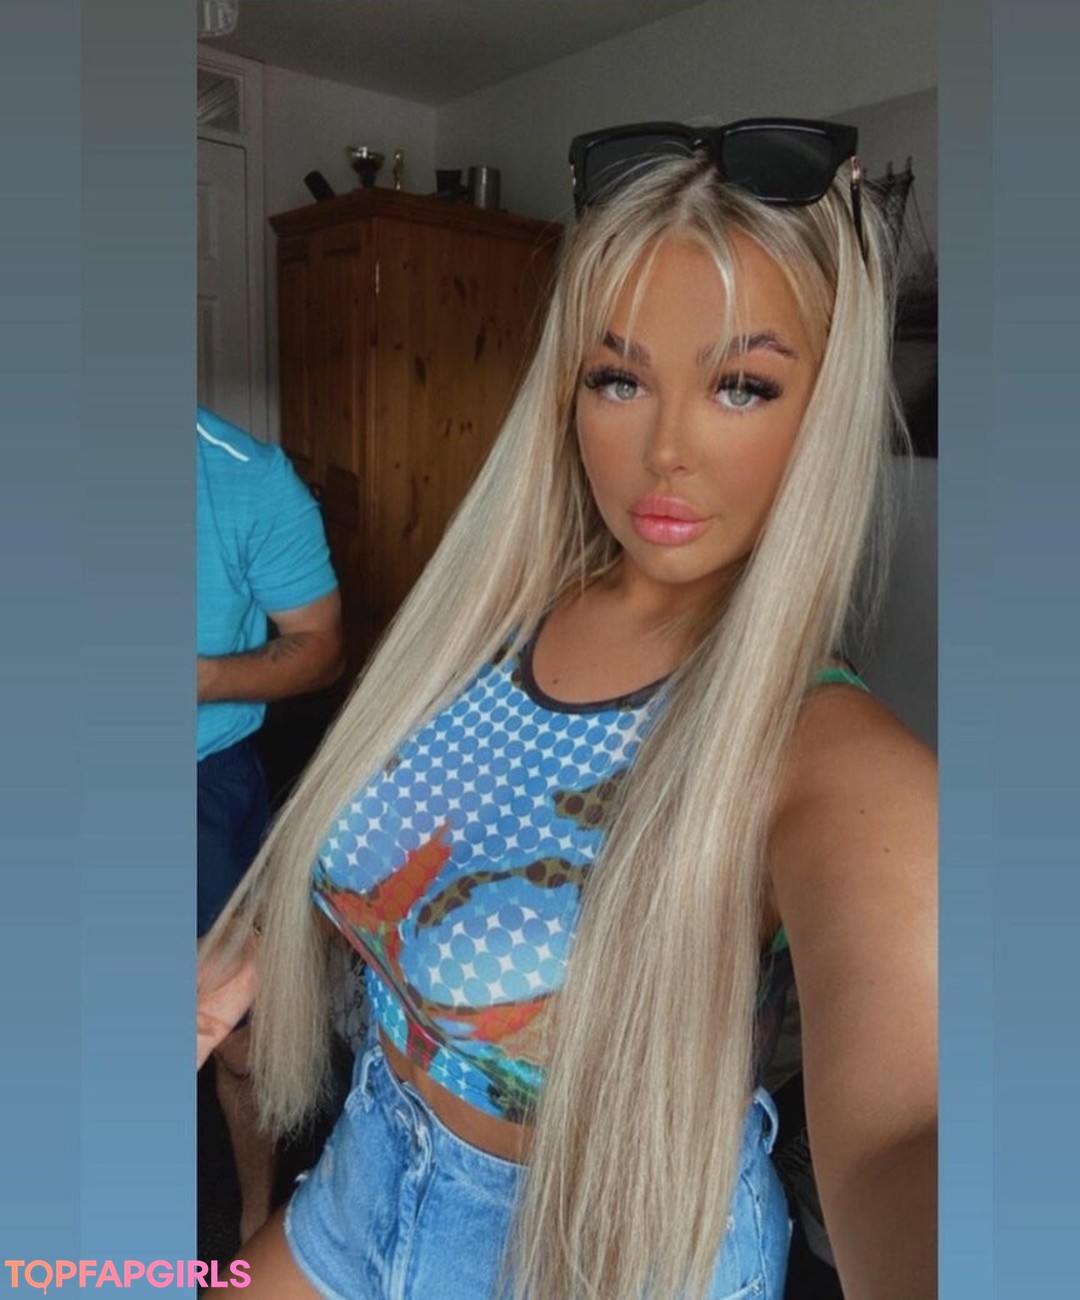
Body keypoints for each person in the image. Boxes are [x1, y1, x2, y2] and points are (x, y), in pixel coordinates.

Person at [198, 118, 937, 1300]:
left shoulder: (828, 754)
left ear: (824, 409)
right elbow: (381, 834)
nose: (667, 448)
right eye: (618, 377)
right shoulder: (495, 620)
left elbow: (911, 1134)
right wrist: (246, 949)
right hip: (367, 1172)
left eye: (742, 385)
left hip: (600, 1253)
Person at [197, 406, 344, 1244]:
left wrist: (199, 677)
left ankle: (253, 1221)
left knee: (241, 1040)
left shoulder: (246, 478)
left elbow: (320, 646)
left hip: (202, 785)